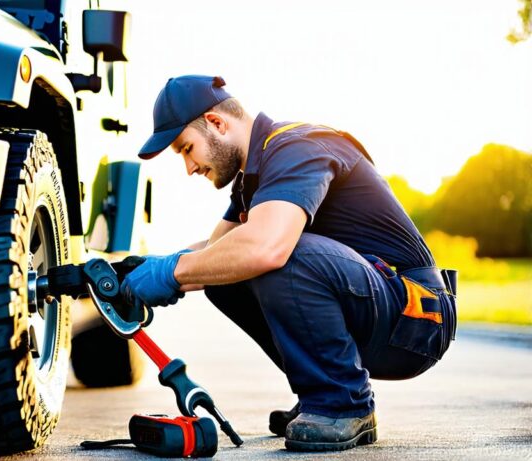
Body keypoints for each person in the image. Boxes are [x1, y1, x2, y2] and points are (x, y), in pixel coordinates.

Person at [121, 75, 457, 452]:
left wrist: (172, 273)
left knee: (277, 253)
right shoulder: (254, 177)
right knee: (222, 269)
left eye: (187, 148)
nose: (189, 167)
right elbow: (217, 249)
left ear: (216, 123)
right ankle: (320, 387)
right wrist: (148, 269)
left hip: (418, 317)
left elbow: (267, 247)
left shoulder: (298, 146)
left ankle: (342, 403)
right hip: (380, 305)